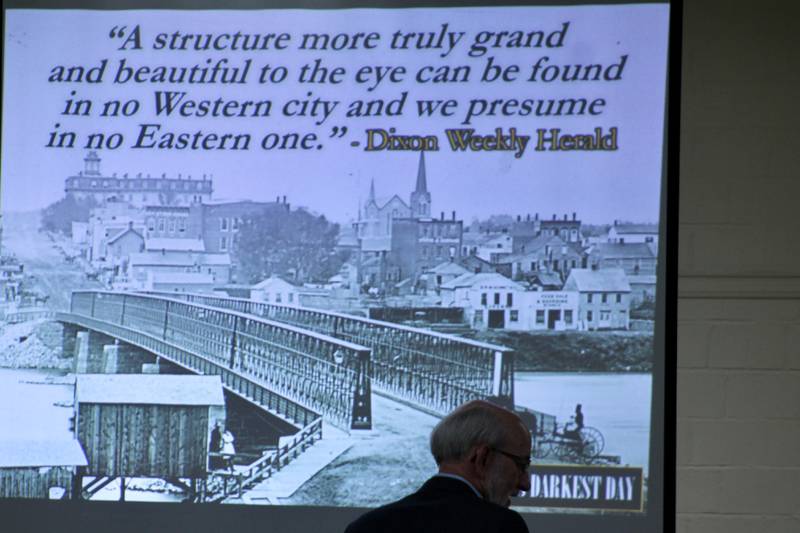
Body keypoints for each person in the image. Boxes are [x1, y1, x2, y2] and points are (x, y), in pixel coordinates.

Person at [344, 400, 531, 533]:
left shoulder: (365, 526)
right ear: (482, 458)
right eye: (521, 465)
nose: (525, 483)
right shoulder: (500, 526)